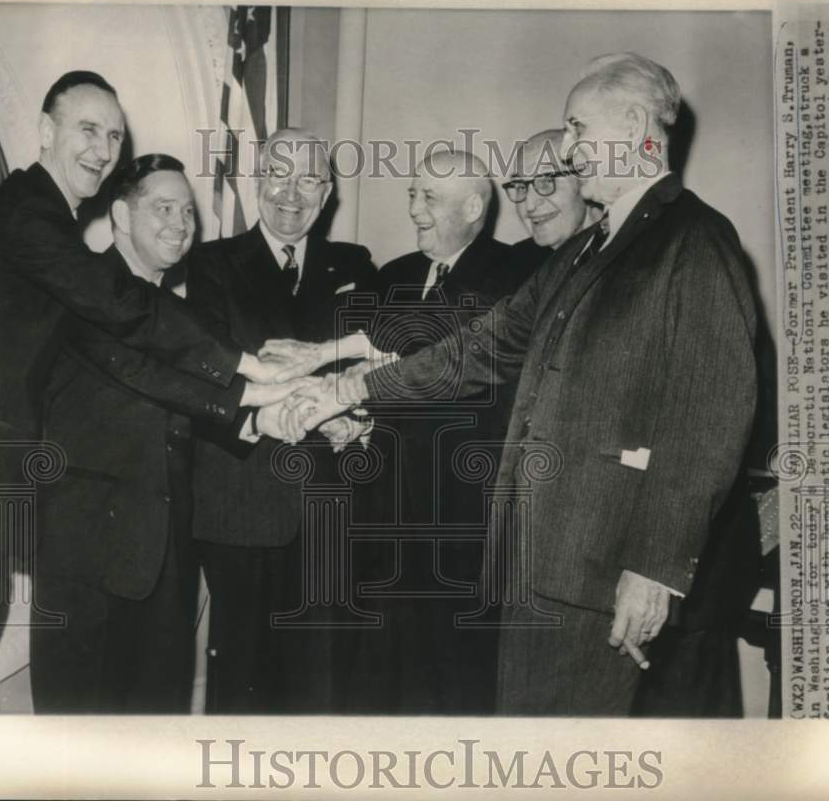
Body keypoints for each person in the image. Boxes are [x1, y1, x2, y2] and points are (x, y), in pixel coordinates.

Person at [276, 52, 760, 716]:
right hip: (540, 565)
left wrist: (654, 568)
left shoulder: (695, 239)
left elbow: (711, 417)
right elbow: (477, 348)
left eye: (578, 129)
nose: (569, 149)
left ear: (631, 124)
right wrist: (348, 391)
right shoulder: (582, 252)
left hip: (608, 571)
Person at [0, 71, 308, 713]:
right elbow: (122, 314)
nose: (104, 148)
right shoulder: (31, 216)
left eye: (113, 134)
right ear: (46, 131)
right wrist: (246, 369)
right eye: (88, 129)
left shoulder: (38, 218)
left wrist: (246, 399)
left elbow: (139, 362)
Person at [29, 155, 310, 712]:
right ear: (120, 216)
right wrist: (253, 392)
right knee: (77, 756)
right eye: (163, 208)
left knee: (157, 743)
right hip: (89, 570)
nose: (181, 223)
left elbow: (188, 407)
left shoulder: (182, 318)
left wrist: (262, 418)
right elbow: (146, 375)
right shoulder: (84, 291)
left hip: (167, 567)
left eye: (187, 211)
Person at [186, 127, 378, 714]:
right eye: (279, 175)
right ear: (256, 181)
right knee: (243, 678)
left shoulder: (354, 263)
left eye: (309, 180)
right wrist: (326, 395)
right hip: (242, 501)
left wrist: (355, 414)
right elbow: (215, 370)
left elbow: (370, 361)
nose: (291, 193)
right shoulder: (212, 264)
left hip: (327, 506)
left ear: (327, 194)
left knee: (319, 682)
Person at [344, 149, 535, 714]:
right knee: (382, 676)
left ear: (474, 206)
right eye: (412, 194)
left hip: (460, 518)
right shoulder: (393, 275)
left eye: (429, 197)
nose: (414, 210)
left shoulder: (515, 274)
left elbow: (442, 360)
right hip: (383, 510)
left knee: (455, 681)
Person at [503, 128, 603, 279]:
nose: (529, 205)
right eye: (520, 186)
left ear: (584, 179)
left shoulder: (629, 254)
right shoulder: (517, 263)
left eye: (546, 181)